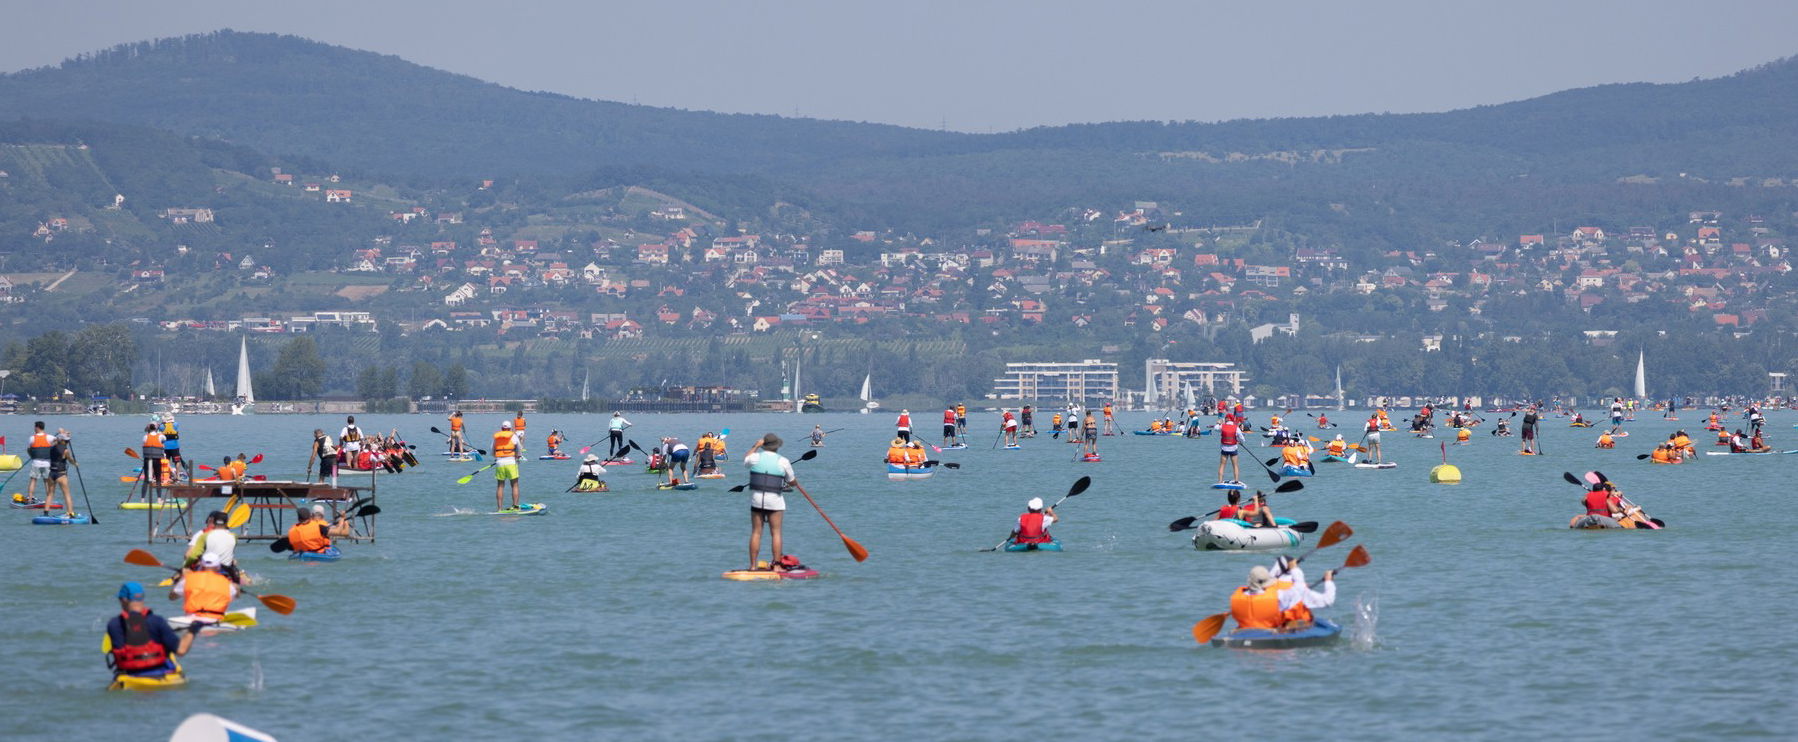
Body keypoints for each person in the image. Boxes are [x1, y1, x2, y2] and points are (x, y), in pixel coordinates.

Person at [106, 582, 188, 680]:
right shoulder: (157, 621)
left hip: (130, 676)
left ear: (123, 599)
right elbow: (180, 650)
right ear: (142, 598)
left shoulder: (114, 624)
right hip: (160, 674)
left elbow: (117, 651)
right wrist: (192, 631)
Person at [1228, 560, 1337, 632]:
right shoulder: (1279, 596)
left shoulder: (1236, 596)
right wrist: (1328, 581)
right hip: (1270, 633)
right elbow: (1327, 600)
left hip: (1243, 632)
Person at [744, 433, 798, 571]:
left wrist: (756, 446)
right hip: (775, 501)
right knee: (776, 533)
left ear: (764, 445)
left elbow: (746, 459)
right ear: (777, 446)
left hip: (757, 501)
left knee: (756, 532)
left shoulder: (755, 458)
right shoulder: (783, 461)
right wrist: (792, 482)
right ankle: (777, 566)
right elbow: (792, 482)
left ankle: (752, 566)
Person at [168, 553, 237, 634]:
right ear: (218, 567)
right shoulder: (227, 583)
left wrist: (182, 578)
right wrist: (237, 588)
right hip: (216, 621)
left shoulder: (188, 579)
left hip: (190, 621)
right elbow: (234, 596)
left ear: (201, 566)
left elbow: (172, 597)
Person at [184, 510, 240, 582]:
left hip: (208, 568)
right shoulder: (234, 536)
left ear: (213, 522)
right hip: (226, 570)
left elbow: (190, 555)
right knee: (234, 563)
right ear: (226, 523)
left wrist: (185, 566)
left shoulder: (203, 535)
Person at [493, 421, 522, 510]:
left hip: (500, 463)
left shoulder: (496, 438)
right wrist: (518, 456)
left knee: (500, 486)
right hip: (511, 462)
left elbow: (492, 451)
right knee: (514, 485)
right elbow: (519, 449)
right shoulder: (514, 436)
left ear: (502, 429)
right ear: (510, 429)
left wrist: (498, 458)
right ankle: (515, 506)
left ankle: (499, 509)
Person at [24, 420, 53, 505]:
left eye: (34, 427)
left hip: (36, 462)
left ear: (37, 427)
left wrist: (32, 456)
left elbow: (29, 449)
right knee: (47, 481)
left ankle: (29, 499)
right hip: (47, 463)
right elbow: (57, 445)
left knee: (33, 480)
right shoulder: (50, 437)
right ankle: (49, 499)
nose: (34, 428)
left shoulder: (32, 438)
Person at [1216, 415, 1243, 485]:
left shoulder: (1222, 426)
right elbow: (1242, 438)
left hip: (1224, 449)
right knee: (1235, 465)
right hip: (1233, 449)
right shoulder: (1236, 427)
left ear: (1227, 419)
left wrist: (1219, 423)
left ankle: (1220, 481)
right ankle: (1236, 481)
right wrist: (1240, 441)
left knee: (1222, 465)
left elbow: (1215, 428)